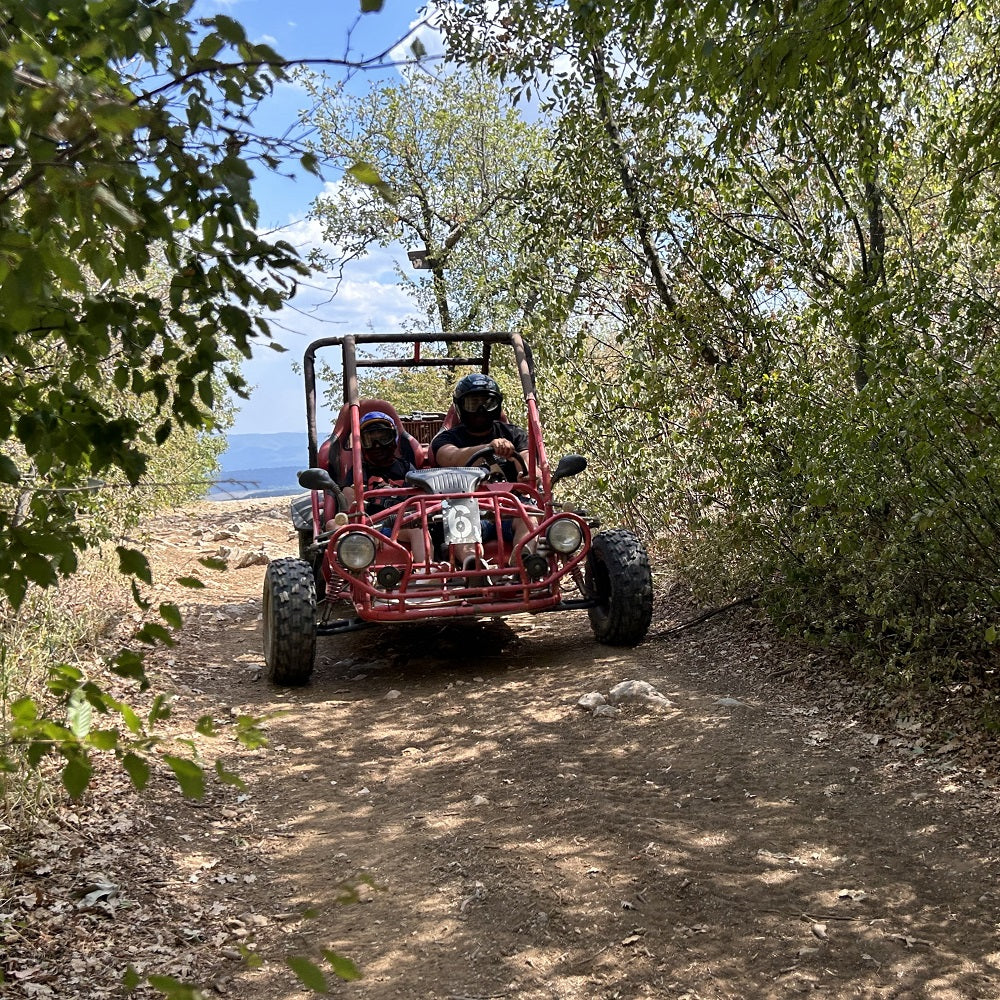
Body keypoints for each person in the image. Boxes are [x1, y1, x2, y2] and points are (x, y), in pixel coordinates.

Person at [431, 373, 533, 567]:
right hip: (469, 505)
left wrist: (523, 469)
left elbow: (529, 465)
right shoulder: (446, 439)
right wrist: (489, 447)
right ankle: (473, 565)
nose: (480, 410)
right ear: (460, 406)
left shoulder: (514, 434)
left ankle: (523, 563)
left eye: (487, 403)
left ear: (497, 405)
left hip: (510, 505)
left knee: (529, 515)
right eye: (473, 403)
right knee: (459, 516)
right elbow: (450, 458)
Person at [335, 411, 428, 564]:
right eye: (370, 440)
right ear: (362, 444)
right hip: (366, 525)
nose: (377, 445)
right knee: (334, 526)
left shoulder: (405, 467)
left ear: (393, 438)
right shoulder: (360, 471)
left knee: (418, 528)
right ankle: (346, 575)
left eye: (383, 438)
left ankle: (426, 574)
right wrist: (367, 529)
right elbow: (350, 502)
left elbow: (418, 501)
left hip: (399, 525)